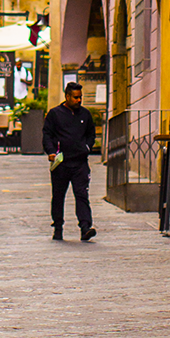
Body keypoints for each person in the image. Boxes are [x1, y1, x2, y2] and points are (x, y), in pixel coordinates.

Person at [43, 79, 97, 241]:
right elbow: (47, 135)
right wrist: (51, 151)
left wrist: (87, 147)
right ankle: (58, 227)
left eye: (80, 97)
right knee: (58, 195)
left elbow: (91, 134)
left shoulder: (85, 114)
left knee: (81, 194)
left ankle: (85, 227)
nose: (79, 100)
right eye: (75, 97)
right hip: (61, 163)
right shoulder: (55, 114)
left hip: (80, 162)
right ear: (67, 97)